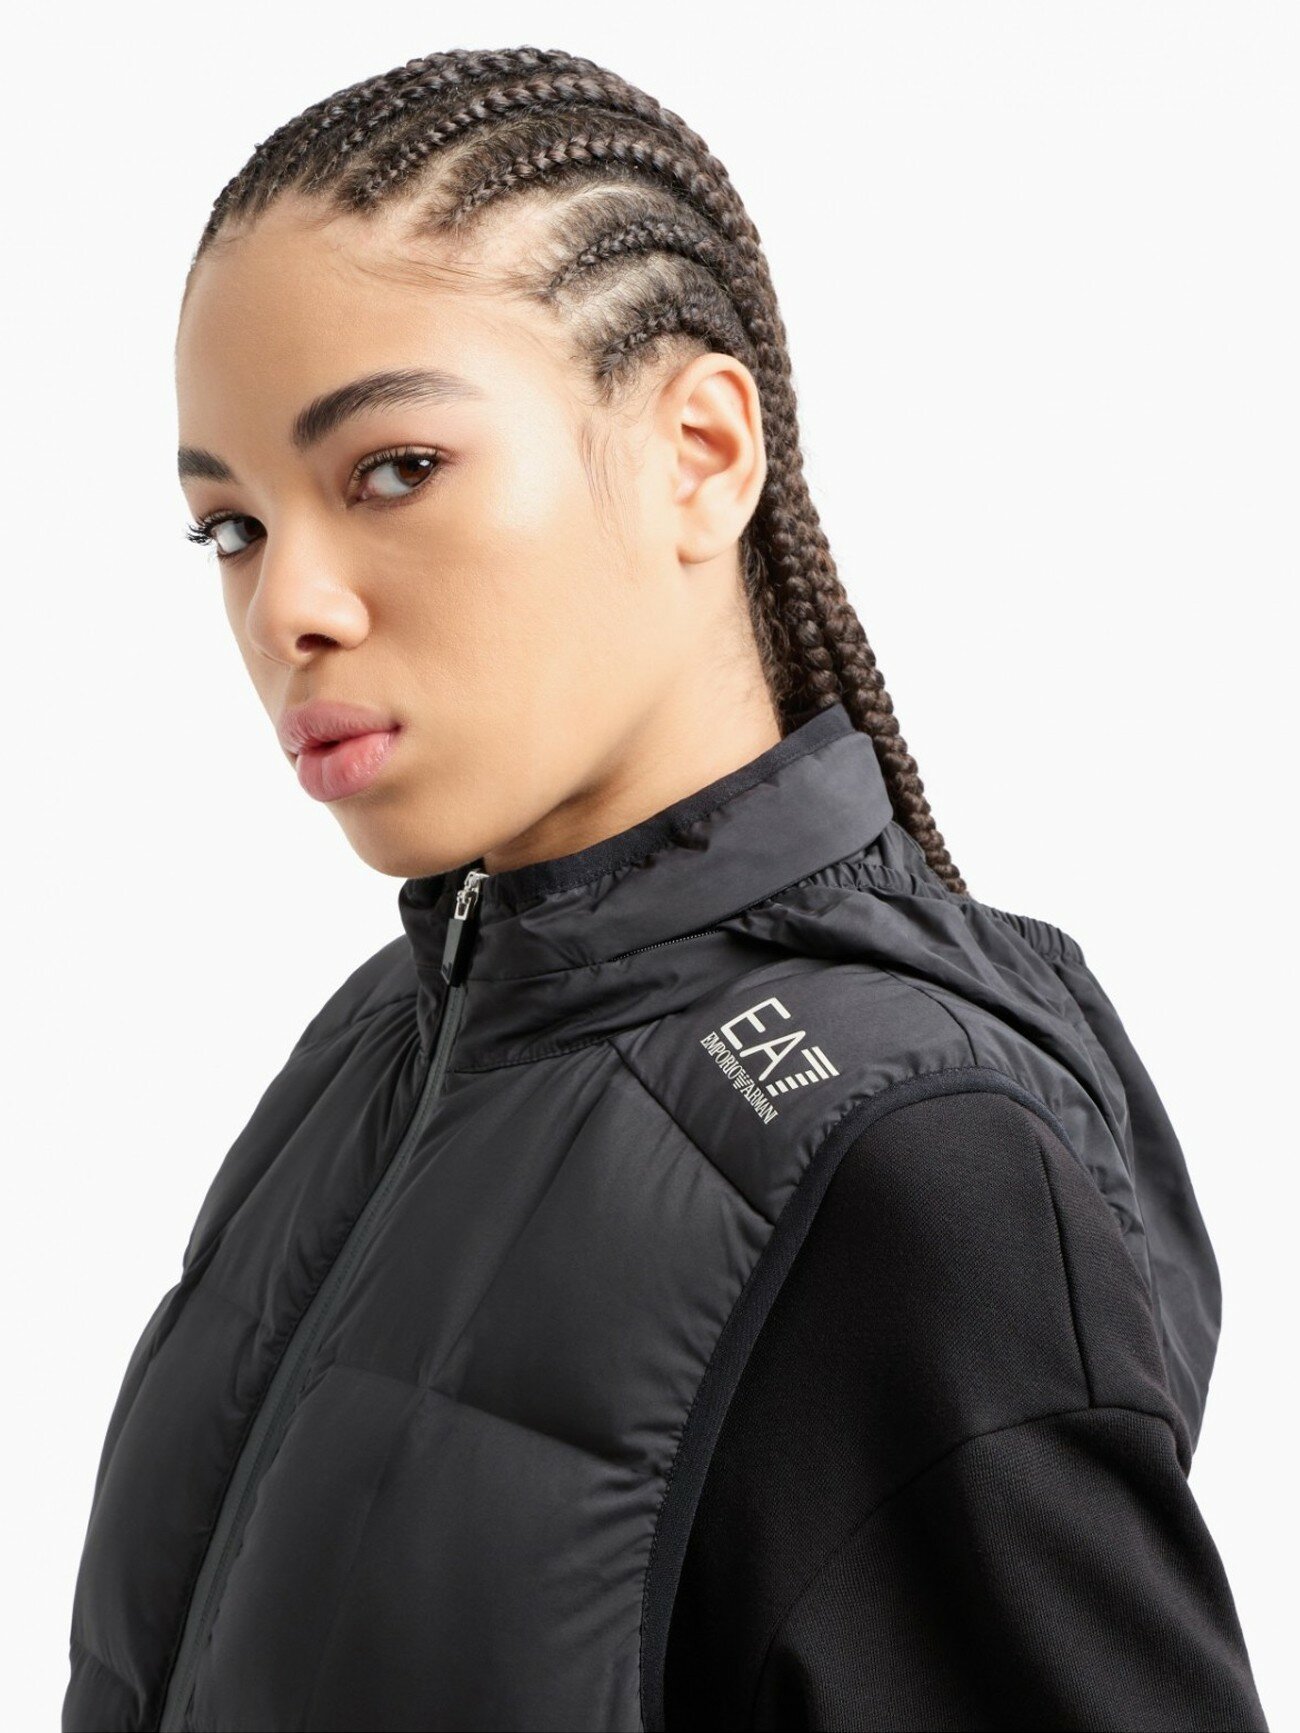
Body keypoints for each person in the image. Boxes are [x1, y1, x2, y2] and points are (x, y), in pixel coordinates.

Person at [62, 44, 1268, 1733]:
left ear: (700, 452)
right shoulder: (381, 1044)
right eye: (231, 526)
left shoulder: (909, 1166)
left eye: (393, 469)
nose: (289, 609)